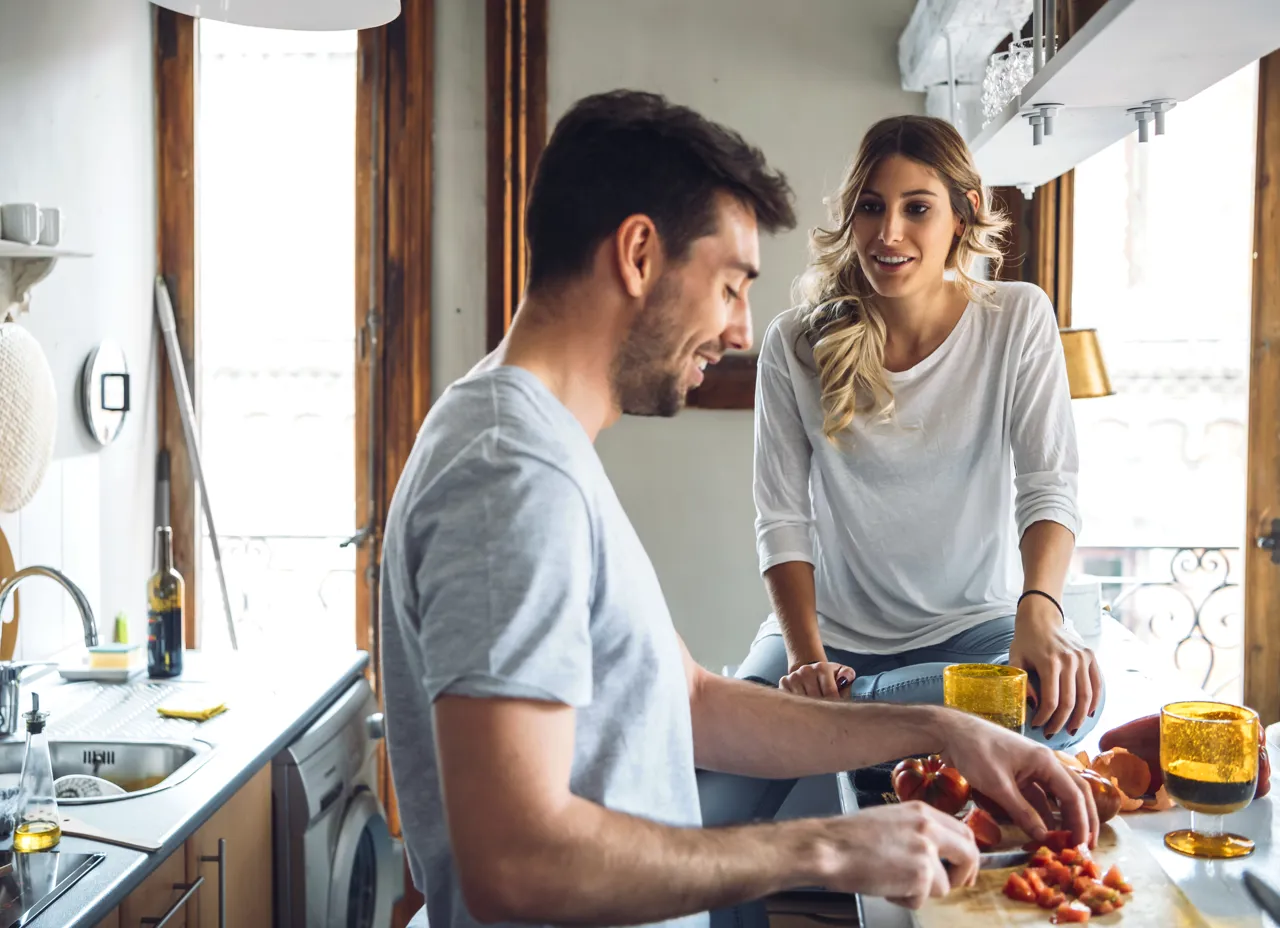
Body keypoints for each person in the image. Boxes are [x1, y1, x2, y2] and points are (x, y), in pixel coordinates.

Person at [379, 92, 1098, 928]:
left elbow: (688, 702)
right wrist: (827, 847)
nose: (739, 329)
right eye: (729, 285)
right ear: (640, 254)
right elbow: (515, 864)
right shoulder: (509, 477)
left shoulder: (540, 448)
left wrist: (941, 726)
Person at [699, 116, 1104, 841]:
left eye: (917, 207)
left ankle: (854, 727)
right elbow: (783, 519)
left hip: (973, 638)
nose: (890, 233)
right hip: (832, 645)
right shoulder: (795, 342)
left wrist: (1039, 610)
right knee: (705, 813)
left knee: (1068, 708)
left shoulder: (1017, 318)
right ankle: (876, 723)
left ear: (963, 212)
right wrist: (805, 661)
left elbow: (1048, 483)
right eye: (872, 206)